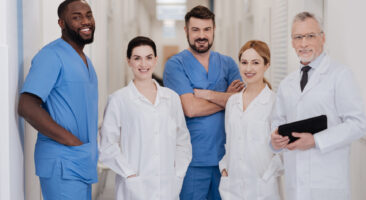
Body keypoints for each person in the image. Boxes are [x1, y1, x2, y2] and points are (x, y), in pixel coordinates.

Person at [270, 11, 366, 200]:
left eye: (310, 36)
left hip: (327, 184)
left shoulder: (340, 75)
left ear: (322, 38)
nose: (304, 43)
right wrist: (274, 141)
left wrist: (316, 141)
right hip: (295, 186)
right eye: (298, 37)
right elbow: (277, 123)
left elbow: (358, 124)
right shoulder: (286, 84)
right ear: (292, 42)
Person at [18, 0, 98, 199]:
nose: (85, 21)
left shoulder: (86, 61)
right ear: (61, 24)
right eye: (76, 17)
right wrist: (72, 142)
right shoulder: (51, 55)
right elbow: (27, 106)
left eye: (88, 15)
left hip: (80, 159)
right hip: (62, 162)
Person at [163, 5, 244, 200]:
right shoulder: (175, 65)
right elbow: (190, 108)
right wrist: (226, 97)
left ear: (214, 30)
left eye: (207, 29)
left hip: (226, 158)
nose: (202, 35)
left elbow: (241, 103)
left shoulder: (228, 63)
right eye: (196, 30)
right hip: (191, 160)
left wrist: (207, 94)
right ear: (186, 31)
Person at [99, 36, 192, 200]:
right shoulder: (119, 99)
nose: (143, 64)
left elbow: (182, 140)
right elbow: (107, 145)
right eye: (137, 58)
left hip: (168, 186)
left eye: (148, 58)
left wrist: (178, 174)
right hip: (134, 188)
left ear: (156, 60)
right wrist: (129, 174)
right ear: (129, 61)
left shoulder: (171, 98)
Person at [218, 40, 283, 200]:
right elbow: (230, 142)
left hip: (262, 187)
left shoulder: (275, 102)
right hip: (232, 187)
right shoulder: (233, 102)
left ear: (266, 65)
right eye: (244, 62)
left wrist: (266, 176)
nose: (248, 68)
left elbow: (283, 150)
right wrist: (225, 169)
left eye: (255, 63)